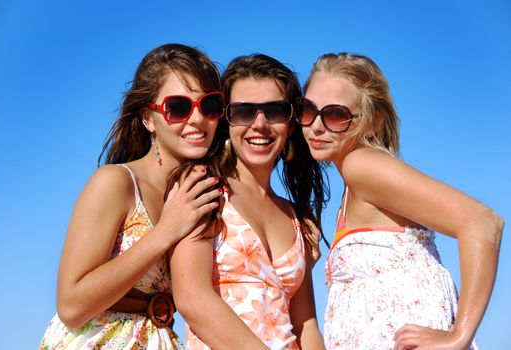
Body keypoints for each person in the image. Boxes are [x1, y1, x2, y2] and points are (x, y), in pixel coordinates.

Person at [295, 52, 504, 350]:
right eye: (307, 110)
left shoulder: (361, 165)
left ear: (372, 122)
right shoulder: (353, 184)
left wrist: (460, 336)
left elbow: (482, 222)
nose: (316, 126)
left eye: (336, 115)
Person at [39, 43, 226, 349]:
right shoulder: (116, 182)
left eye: (209, 105)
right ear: (148, 119)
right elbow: (71, 306)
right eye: (178, 107)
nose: (197, 119)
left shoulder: (198, 191)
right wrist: (166, 231)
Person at [170, 54, 327, 350]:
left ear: (291, 123)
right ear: (226, 119)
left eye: (275, 111)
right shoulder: (203, 187)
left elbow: (307, 326)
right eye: (244, 112)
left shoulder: (296, 217)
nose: (260, 124)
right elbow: (192, 299)